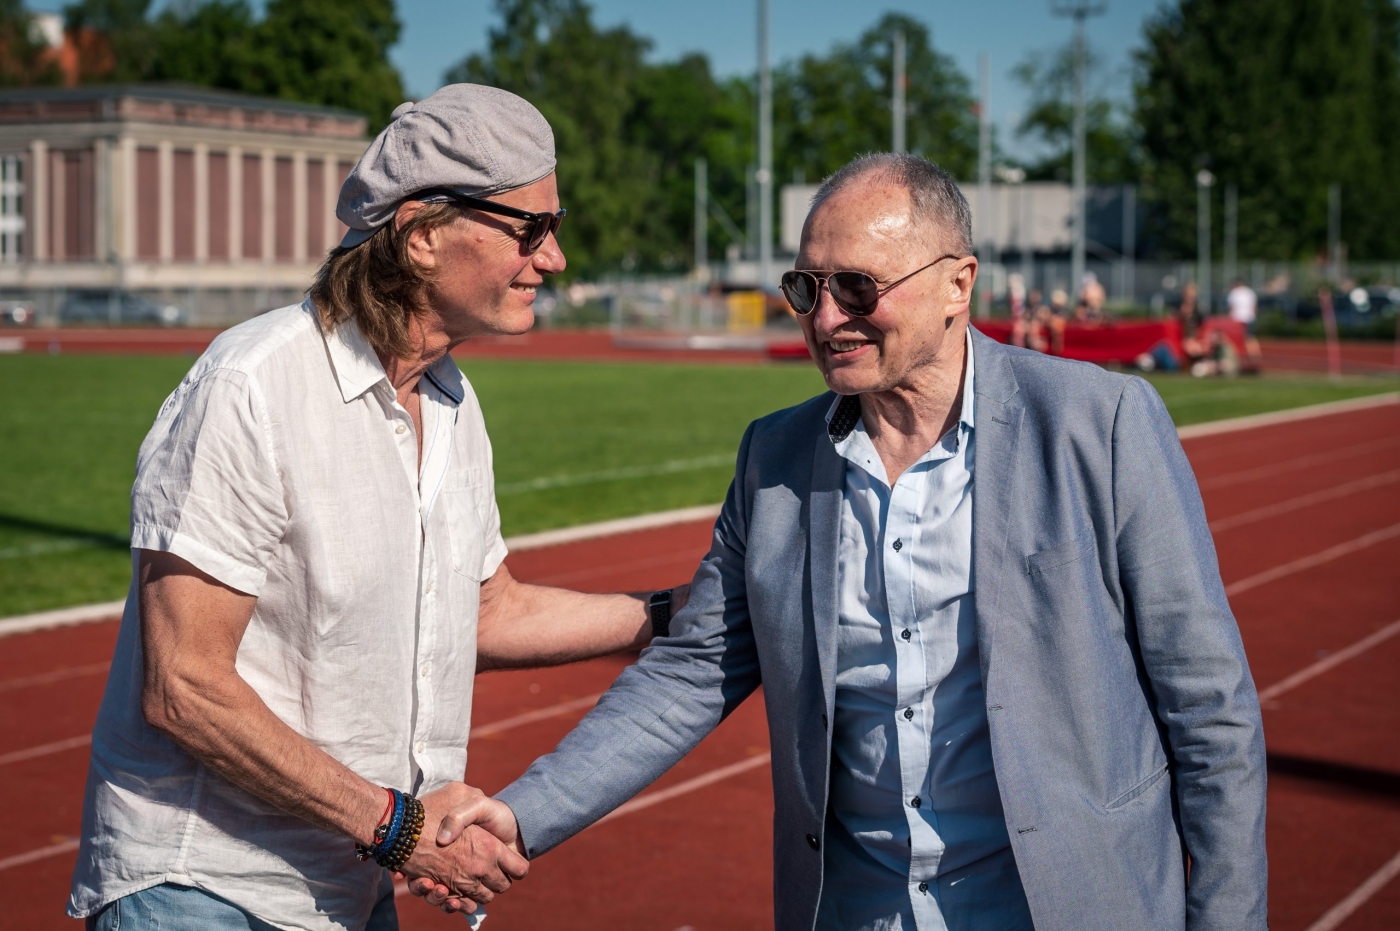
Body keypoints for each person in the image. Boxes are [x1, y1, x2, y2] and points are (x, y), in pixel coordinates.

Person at [424, 154, 1268, 930]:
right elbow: (693, 668)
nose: (827, 318)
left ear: (957, 284)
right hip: (861, 910)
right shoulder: (775, 458)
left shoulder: (1100, 426)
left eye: (859, 287)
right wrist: (522, 814)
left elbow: (1209, 709)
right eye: (807, 287)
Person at [68, 84, 684, 931]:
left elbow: (486, 613)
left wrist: (676, 614)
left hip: (348, 888)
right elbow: (185, 686)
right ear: (422, 235)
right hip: (205, 891)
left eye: (556, 225)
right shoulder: (253, 386)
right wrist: (400, 830)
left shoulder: (452, 402)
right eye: (530, 228)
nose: (554, 258)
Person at [1227, 278, 1263, 363]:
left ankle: (1237, 358)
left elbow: (1231, 307)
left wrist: (1229, 318)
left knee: (1235, 339)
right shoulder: (1250, 292)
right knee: (1250, 338)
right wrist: (1253, 315)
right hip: (1249, 318)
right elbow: (1254, 306)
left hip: (1236, 319)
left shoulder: (1234, 292)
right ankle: (1255, 357)